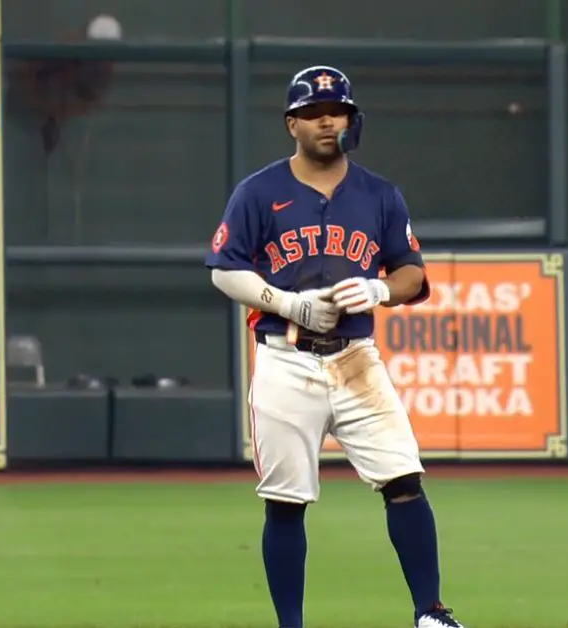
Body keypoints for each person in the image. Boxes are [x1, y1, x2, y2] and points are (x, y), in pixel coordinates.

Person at [204, 65, 465, 628]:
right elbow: (224, 271)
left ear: (351, 119)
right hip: (285, 358)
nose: (329, 121)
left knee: (403, 478)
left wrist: (378, 287)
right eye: (315, 113)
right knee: (285, 500)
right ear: (292, 123)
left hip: (355, 357)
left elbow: (412, 275)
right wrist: (288, 303)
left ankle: (431, 613)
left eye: (338, 111)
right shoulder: (259, 191)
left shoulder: (378, 194)